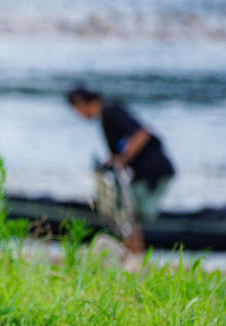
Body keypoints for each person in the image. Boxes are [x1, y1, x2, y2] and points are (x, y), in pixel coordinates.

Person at [66, 84, 175, 254]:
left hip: (154, 172)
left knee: (130, 215)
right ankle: (133, 255)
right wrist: (115, 161)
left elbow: (142, 134)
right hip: (145, 173)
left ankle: (135, 256)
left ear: (81, 103)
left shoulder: (110, 111)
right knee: (130, 215)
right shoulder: (107, 114)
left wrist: (123, 159)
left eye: (76, 109)